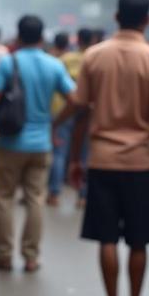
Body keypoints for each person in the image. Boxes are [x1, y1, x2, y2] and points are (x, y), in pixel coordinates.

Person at [61, 0, 149, 296]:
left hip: (102, 159)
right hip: (140, 162)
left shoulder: (95, 56)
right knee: (138, 240)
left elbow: (81, 112)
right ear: (147, 19)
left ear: (116, 16)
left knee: (107, 238)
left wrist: (73, 159)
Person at [0, 15, 76, 272]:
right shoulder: (54, 65)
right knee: (36, 199)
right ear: (42, 35)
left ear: (19, 35)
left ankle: (4, 255)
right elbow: (75, 99)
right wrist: (55, 124)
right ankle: (31, 256)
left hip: (8, 143)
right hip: (41, 144)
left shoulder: (8, 63)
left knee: (4, 199)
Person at [48, 30, 87, 207]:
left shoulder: (63, 60)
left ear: (77, 40)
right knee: (84, 155)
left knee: (59, 153)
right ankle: (82, 196)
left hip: (62, 110)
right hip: (87, 112)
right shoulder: (94, 59)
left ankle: (54, 193)